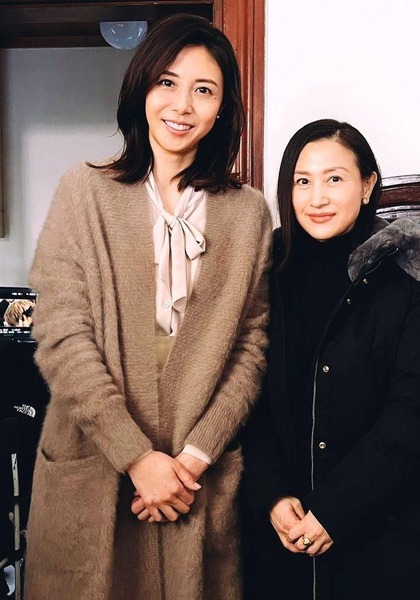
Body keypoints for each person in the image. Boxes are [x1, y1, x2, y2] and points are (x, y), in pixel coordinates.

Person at [25, 14, 271, 600]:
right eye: (167, 82)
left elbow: (251, 346)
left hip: (195, 473)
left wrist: (192, 459)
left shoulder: (248, 213)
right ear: (141, 88)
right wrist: (138, 458)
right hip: (94, 454)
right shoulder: (83, 191)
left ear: (223, 108)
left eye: (204, 89)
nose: (182, 105)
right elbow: (61, 335)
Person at [240, 119, 420, 600]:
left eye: (335, 179)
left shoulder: (408, 276)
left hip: (391, 540)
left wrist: (335, 509)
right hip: (284, 535)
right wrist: (272, 494)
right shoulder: (265, 273)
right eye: (303, 181)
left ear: (367, 186)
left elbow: (416, 413)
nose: (317, 198)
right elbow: (247, 396)